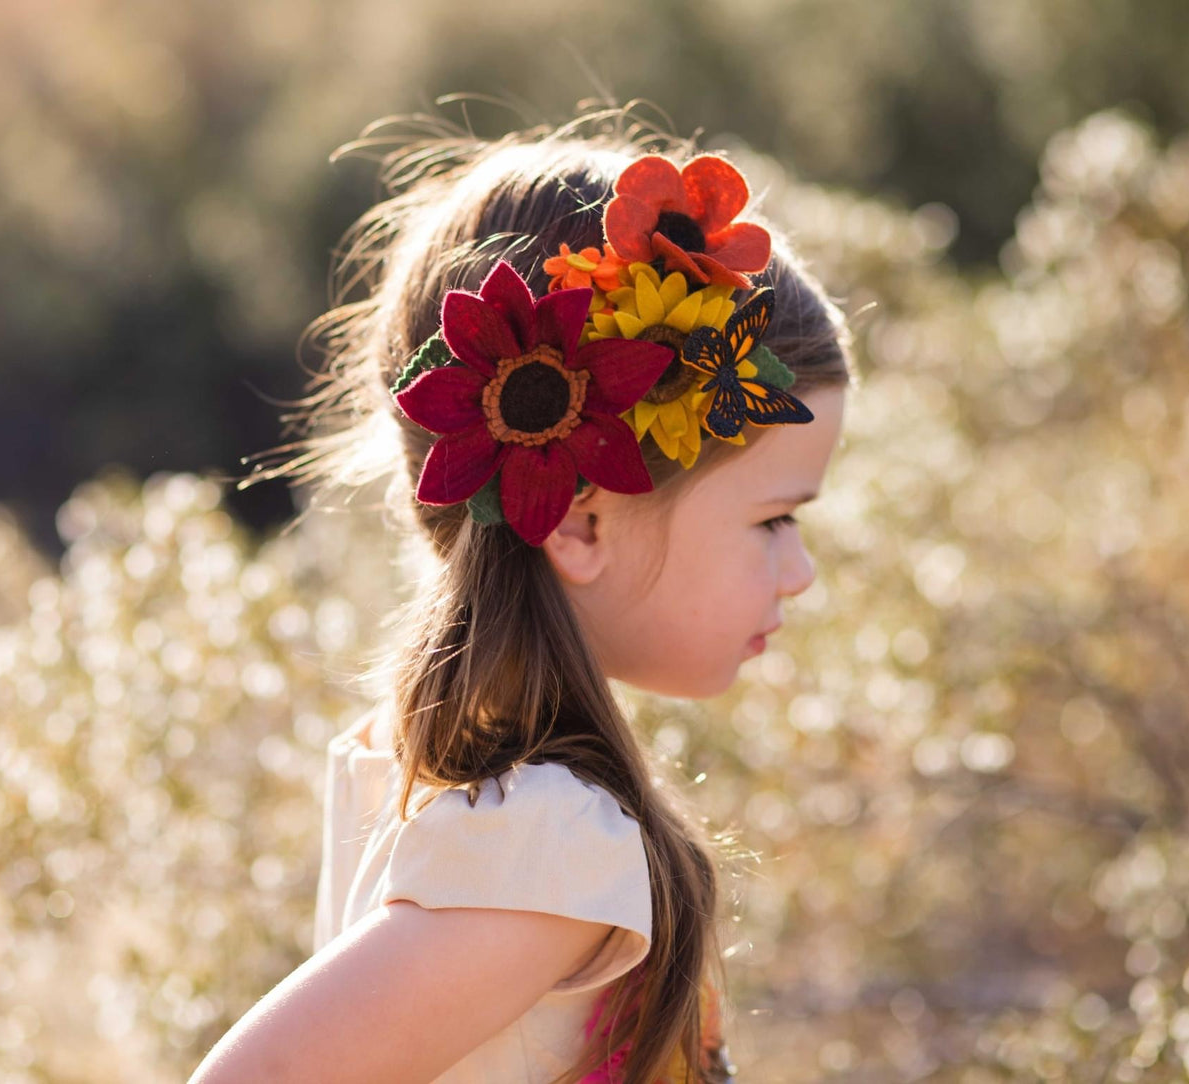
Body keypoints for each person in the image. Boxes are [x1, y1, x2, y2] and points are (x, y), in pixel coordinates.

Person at [188, 109, 853, 1084]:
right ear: (581, 523)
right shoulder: (543, 840)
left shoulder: (449, 777)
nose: (797, 569)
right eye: (771, 520)